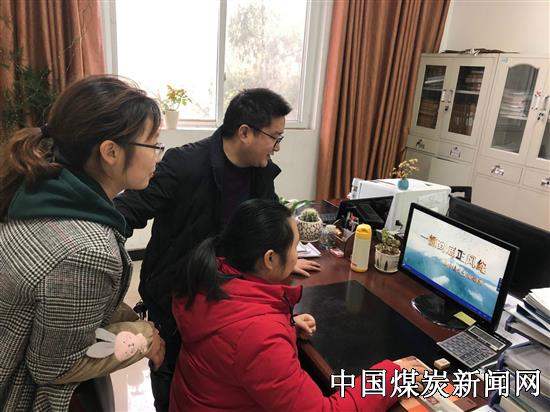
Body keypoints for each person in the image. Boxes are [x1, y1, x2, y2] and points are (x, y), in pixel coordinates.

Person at [114, 88, 321, 410]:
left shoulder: (260, 172)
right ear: (244, 132)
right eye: (275, 137)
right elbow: (125, 212)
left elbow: (266, 226)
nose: (278, 147)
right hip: (176, 299)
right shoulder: (184, 164)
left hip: (225, 304)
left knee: (213, 384)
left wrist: (283, 258)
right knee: (171, 385)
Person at [0, 75, 166, 411]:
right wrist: (145, 338)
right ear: (110, 152)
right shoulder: (88, 250)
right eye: (153, 145)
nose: (158, 157)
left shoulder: (37, 191)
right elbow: (54, 366)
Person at [170, 199, 427, 411]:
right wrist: (392, 377)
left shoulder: (210, 279)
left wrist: (287, 327)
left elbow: (233, 344)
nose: (297, 255)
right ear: (270, 259)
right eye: (295, 246)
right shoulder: (258, 336)